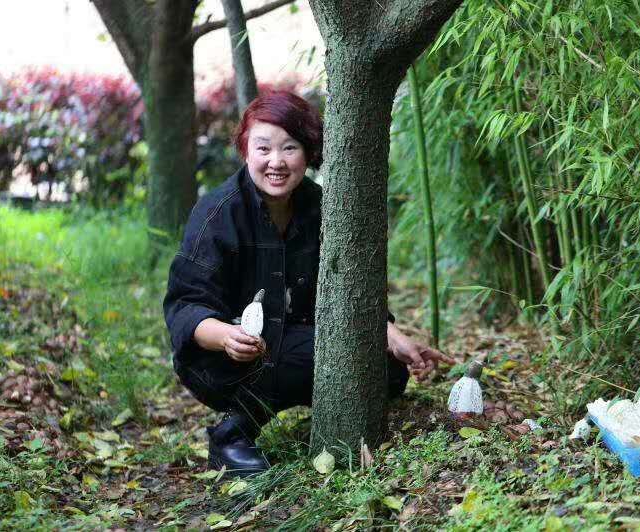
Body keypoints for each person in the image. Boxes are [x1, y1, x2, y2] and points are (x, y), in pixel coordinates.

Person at [163, 90, 451, 476]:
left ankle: (305, 409)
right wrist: (224, 336)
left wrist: (391, 336)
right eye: (263, 148)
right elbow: (184, 305)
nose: (276, 162)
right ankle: (231, 437)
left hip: (290, 339)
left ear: (308, 152)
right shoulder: (218, 211)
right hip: (222, 356)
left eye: (290, 148)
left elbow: (342, 291)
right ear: (246, 149)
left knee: (387, 370)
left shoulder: (320, 205)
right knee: (294, 356)